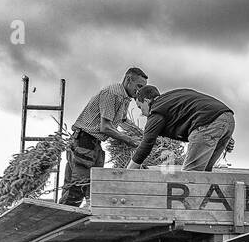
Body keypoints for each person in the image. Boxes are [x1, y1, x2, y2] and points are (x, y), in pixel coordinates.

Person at [61, 66, 148, 205]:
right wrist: (130, 141)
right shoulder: (113, 93)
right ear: (128, 80)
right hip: (84, 143)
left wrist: (144, 136)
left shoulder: (124, 98)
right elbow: (105, 127)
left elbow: (123, 121)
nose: (139, 91)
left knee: (94, 185)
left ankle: (72, 218)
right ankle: (64, 221)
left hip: (94, 144)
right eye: (138, 86)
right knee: (79, 186)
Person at [129, 85, 235, 171]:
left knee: (190, 177)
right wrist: (223, 131)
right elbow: (203, 108)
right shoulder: (171, 99)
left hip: (208, 124)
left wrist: (128, 172)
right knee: (205, 173)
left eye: (140, 107)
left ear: (147, 101)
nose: (142, 112)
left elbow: (147, 143)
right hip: (228, 118)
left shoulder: (157, 109)